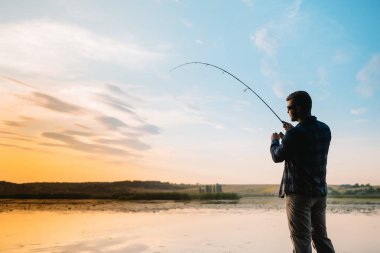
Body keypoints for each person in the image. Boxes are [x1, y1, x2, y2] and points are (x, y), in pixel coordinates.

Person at [270, 91, 335, 253]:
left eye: (289, 108)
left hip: (299, 195)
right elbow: (306, 142)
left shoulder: (294, 134)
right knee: (321, 237)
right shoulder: (325, 129)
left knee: (301, 239)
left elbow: (277, 156)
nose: (287, 111)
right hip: (320, 193)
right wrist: (292, 132)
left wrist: (275, 141)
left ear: (298, 108)